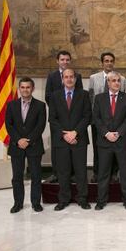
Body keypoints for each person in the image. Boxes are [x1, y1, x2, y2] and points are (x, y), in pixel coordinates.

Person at [48, 68, 91, 211]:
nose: (69, 79)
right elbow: (52, 119)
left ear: (76, 78)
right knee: (63, 171)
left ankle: (82, 199)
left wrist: (75, 132)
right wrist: (64, 135)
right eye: (66, 77)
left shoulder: (84, 95)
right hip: (61, 140)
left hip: (79, 139)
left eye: (71, 77)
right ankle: (63, 199)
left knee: (80, 171)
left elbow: (87, 116)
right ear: (62, 79)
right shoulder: (54, 96)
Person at [93, 71, 126, 210]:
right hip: (105, 142)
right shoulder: (99, 98)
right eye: (113, 80)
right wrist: (106, 133)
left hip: (122, 141)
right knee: (103, 172)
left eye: (118, 80)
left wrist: (118, 133)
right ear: (108, 83)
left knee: (124, 172)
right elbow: (96, 119)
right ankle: (101, 200)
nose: (117, 83)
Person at [5, 77, 46, 213]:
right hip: (16, 146)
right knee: (17, 177)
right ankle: (18, 203)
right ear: (19, 89)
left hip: (34, 146)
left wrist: (28, 140)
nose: (25, 90)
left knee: (36, 176)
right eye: (22, 87)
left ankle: (36, 203)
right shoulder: (11, 105)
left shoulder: (40, 105)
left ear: (32, 89)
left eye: (28, 87)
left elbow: (40, 126)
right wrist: (18, 140)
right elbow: (9, 125)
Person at [45, 50, 83, 183]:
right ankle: (57, 173)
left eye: (67, 59)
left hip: (74, 121)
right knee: (58, 148)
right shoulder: (52, 76)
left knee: (74, 150)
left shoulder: (76, 76)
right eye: (62, 59)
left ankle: (72, 173)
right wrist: (58, 112)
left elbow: (80, 99)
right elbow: (48, 96)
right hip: (58, 119)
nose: (65, 62)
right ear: (58, 61)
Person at [89, 52, 126, 182]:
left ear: (114, 63)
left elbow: (124, 99)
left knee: (116, 147)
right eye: (106, 61)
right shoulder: (94, 78)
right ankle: (97, 172)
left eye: (111, 61)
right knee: (98, 147)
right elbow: (91, 98)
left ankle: (114, 173)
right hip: (99, 121)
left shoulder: (122, 78)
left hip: (116, 122)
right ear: (102, 63)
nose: (109, 63)